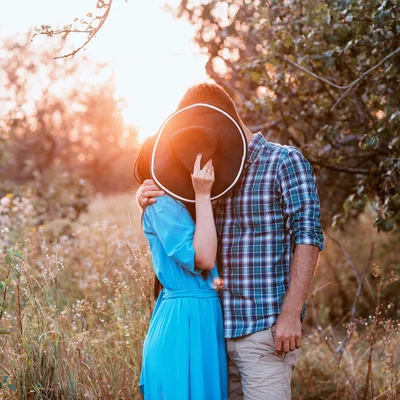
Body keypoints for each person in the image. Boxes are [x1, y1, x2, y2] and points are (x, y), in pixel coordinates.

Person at [137, 83, 324, 400]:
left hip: (263, 332)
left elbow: (308, 236)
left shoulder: (283, 162)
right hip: (213, 335)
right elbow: (178, 225)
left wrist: (291, 315)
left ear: (220, 120)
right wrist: (143, 192)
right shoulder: (206, 174)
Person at [136, 102, 250, 399]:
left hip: (204, 316)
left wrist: (203, 196)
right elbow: (204, 258)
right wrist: (201, 193)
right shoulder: (162, 203)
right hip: (184, 319)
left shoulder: (198, 203)